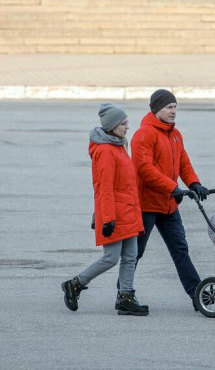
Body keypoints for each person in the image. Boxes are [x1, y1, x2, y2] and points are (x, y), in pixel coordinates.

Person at [62, 103, 148, 316]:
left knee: (131, 256)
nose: (128, 126)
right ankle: (75, 284)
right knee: (111, 257)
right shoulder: (105, 151)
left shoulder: (118, 145)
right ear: (112, 126)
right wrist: (106, 218)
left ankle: (125, 297)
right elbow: (104, 187)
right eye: (124, 123)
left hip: (127, 212)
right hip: (115, 214)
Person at [130, 89, 209, 310]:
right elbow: (144, 169)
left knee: (180, 249)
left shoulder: (175, 134)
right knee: (135, 253)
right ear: (156, 109)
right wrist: (172, 187)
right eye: (169, 107)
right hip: (146, 205)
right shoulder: (143, 135)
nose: (174, 111)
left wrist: (194, 183)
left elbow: (184, 162)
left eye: (175, 107)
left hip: (169, 205)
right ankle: (123, 293)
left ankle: (197, 295)